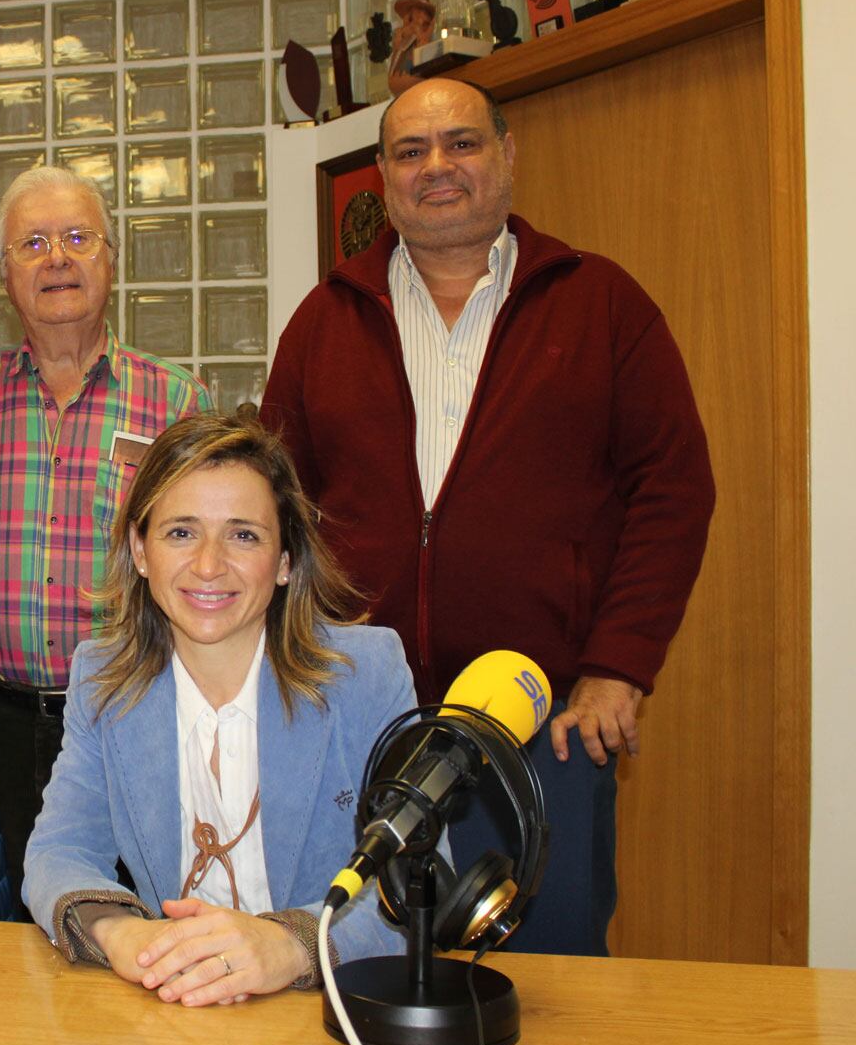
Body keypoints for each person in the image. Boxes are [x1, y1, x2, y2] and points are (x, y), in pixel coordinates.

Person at [258, 77, 715, 956]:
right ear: (384, 179)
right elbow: (274, 505)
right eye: (410, 151)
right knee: (363, 972)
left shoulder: (603, 305)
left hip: (548, 724)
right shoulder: (324, 321)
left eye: (462, 143)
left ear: (507, 156)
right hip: (365, 723)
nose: (438, 167)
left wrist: (619, 665)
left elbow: (674, 489)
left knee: (552, 988)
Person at [0, 166, 208, 913]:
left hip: (127, 715)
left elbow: (205, 563)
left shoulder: (178, 400)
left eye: (76, 238)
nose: (56, 258)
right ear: (5, 275)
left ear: (111, 259)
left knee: (120, 932)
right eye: (32, 243)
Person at [22, 409, 412, 1002]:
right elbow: (59, 851)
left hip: (328, 1016)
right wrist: (125, 936)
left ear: (285, 561)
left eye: (243, 534)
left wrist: (294, 945)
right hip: (174, 1008)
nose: (208, 565)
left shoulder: (366, 674)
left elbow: (422, 880)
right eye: (180, 531)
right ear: (140, 550)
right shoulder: (102, 679)